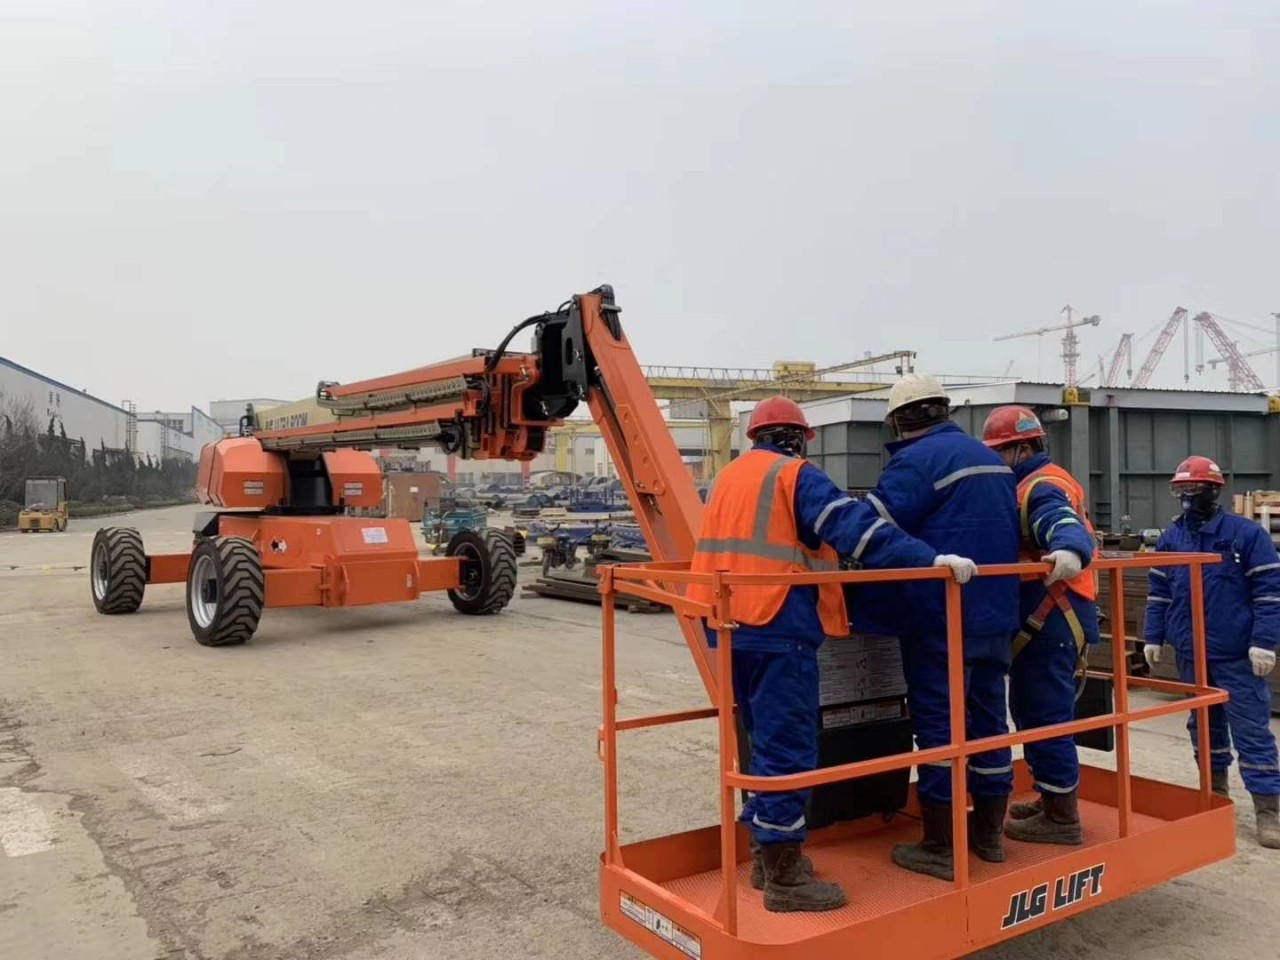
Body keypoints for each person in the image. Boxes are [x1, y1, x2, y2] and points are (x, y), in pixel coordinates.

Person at [689, 395, 978, 913]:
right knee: (789, 752)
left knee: (759, 747)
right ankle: (785, 879)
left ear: (754, 435)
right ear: (799, 439)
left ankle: (765, 856)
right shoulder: (793, 475)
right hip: (779, 624)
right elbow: (857, 530)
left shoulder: (728, 477)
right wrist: (931, 559)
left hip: (730, 627)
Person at [863, 373, 1021, 881]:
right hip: (995, 618)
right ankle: (990, 837)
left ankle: (940, 845)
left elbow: (872, 523)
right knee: (990, 723)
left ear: (900, 419)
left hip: (941, 619)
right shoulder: (993, 461)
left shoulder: (917, 460)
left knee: (939, 730)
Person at [1142, 455, 1280, 849]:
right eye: (1181, 489)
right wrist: (1153, 636)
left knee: (1252, 732)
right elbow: (1159, 593)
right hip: (1191, 654)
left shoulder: (1245, 537)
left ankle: (1268, 812)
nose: (1187, 496)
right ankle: (1215, 797)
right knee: (1204, 730)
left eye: (1195, 488)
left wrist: (1263, 642)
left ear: (1214, 490)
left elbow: (1269, 594)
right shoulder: (1171, 539)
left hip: (1236, 654)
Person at [981, 405, 1099, 845]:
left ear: (1024, 447)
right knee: (1032, 711)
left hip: (1053, 615)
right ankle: (1053, 796)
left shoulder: (1042, 484)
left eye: (1001, 451)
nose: (996, 460)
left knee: (1045, 714)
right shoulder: (1028, 482)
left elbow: (1063, 523)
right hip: (1051, 616)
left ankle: (1062, 819)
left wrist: (1068, 550)